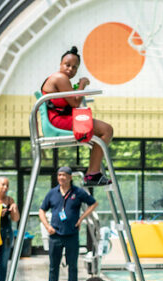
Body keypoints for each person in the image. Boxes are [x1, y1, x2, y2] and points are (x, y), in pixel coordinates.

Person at [40, 46, 115, 186]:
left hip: (59, 119)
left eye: (74, 67)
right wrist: (82, 84)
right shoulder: (60, 77)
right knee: (106, 130)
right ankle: (92, 174)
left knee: (101, 132)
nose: (70, 69)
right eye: (67, 65)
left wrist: (78, 89)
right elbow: (75, 103)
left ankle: (93, 172)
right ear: (60, 65)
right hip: (57, 121)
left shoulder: (61, 79)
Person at [39, 166, 98, 281]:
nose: (61, 178)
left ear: (70, 177)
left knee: (73, 265)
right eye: (59, 175)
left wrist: (81, 218)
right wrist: (47, 226)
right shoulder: (52, 193)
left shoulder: (78, 192)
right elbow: (42, 210)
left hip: (71, 234)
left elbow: (93, 203)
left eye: (64, 175)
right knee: (54, 266)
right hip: (55, 235)